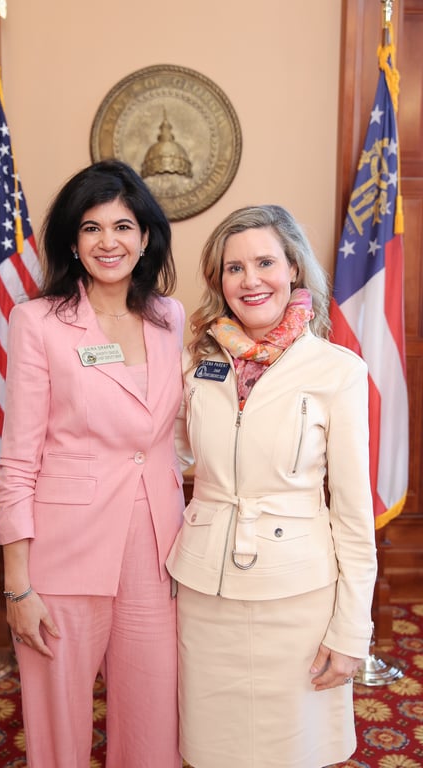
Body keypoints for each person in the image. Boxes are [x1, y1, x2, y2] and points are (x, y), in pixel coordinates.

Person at [167, 204, 378, 768]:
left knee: (294, 749)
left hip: (299, 596)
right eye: (234, 267)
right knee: (210, 749)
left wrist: (352, 629)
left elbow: (354, 515)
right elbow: (164, 453)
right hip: (205, 592)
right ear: (219, 280)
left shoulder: (338, 370)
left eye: (265, 262)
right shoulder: (196, 365)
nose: (250, 279)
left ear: (294, 271)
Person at [0, 159, 185, 768]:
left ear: (146, 237)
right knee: (58, 726)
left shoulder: (170, 318)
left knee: (155, 720)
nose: (110, 242)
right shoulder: (37, 322)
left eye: (124, 226)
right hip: (64, 550)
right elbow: (18, 461)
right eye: (92, 228)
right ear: (73, 244)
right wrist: (17, 584)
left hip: (157, 549)